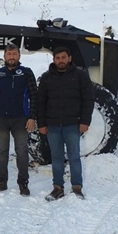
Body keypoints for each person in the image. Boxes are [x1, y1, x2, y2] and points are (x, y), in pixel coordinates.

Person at [36, 46, 95, 201]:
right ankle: (58, 188)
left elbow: (88, 100)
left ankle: (77, 188)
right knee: (56, 158)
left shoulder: (80, 76)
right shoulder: (47, 78)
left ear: (69, 58)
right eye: (57, 58)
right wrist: (41, 124)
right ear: (54, 60)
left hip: (72, 125)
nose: (60, 60)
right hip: (53, 125)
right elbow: (40, 102)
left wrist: (85, 121)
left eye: (63, 57)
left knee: (74, 157)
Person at [0, 44, 38, 196]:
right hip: (0, 118)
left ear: (19, 55)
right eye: (9, 54)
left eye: (14, 54)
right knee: (2, 151)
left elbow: (34, 96)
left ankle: (23, 183)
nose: (12, 57)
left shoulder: (26, 73)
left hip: (21, 118)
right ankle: (1, 181)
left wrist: (32, 117)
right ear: (4, 56)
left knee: (21, 151)